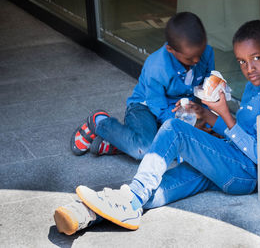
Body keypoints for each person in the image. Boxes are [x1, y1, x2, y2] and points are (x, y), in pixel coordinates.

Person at [54, 20, 260, 234]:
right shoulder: (253, 86)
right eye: (242, 62)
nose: (249, 68)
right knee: (166, 185)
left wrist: (224, 113)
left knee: (174, 129)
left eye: (257, 58)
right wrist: (205, 113)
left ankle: (131, 198)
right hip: (227, 160)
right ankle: (92, 213)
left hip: (243, 173)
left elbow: (259, 155)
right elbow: (238, 133)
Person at [70, 12, 214, 159]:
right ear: (170, 50)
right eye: (190, 58)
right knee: (145, 149)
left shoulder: (207, 52)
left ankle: (116, 143)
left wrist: (206, 118)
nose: (197, 60)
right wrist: (186, 126)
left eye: (200, 54)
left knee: (210, 134)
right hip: (146, 107)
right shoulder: (157, 67)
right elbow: (159, 108)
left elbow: (207, 89)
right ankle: (100, 122)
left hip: (179, 109)